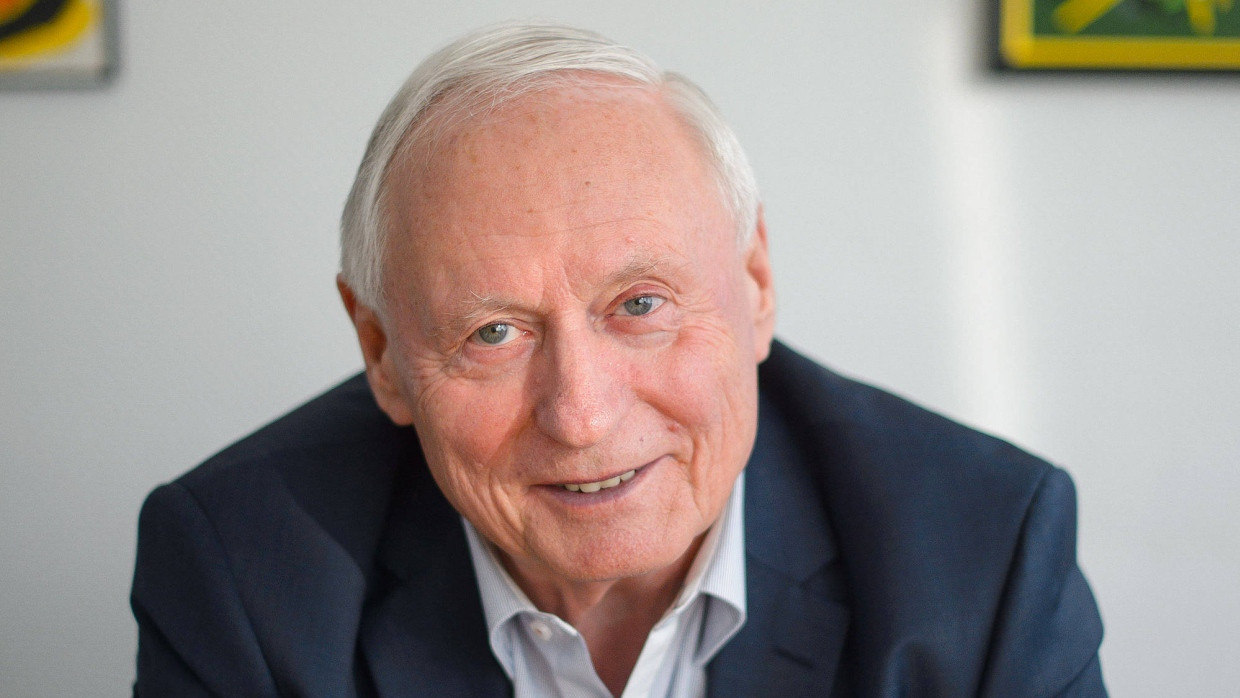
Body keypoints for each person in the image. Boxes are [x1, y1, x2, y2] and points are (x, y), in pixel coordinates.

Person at [130, 22, 1106, 697]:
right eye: (493, 332)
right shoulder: (243, 565)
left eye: (638, 305)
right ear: (381, 350)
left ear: (756, 281)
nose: (582, 413)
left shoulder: (984, 547)